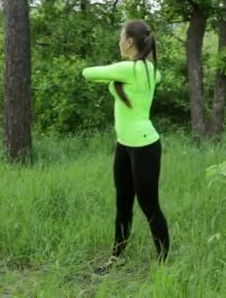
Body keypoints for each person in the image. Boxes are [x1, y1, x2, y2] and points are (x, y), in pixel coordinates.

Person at [82, 20, 169, 273]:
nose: (119, 42)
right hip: (124, 145)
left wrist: (112, 75)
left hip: (144, 147)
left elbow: (88, 73)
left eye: (121, 37)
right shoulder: (150, 70)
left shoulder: (130, 70)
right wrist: (115, 76)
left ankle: (163, 263)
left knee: (149, 205)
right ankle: (116, 258)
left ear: (130, 41)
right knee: (123, 203)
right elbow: (149, 77)